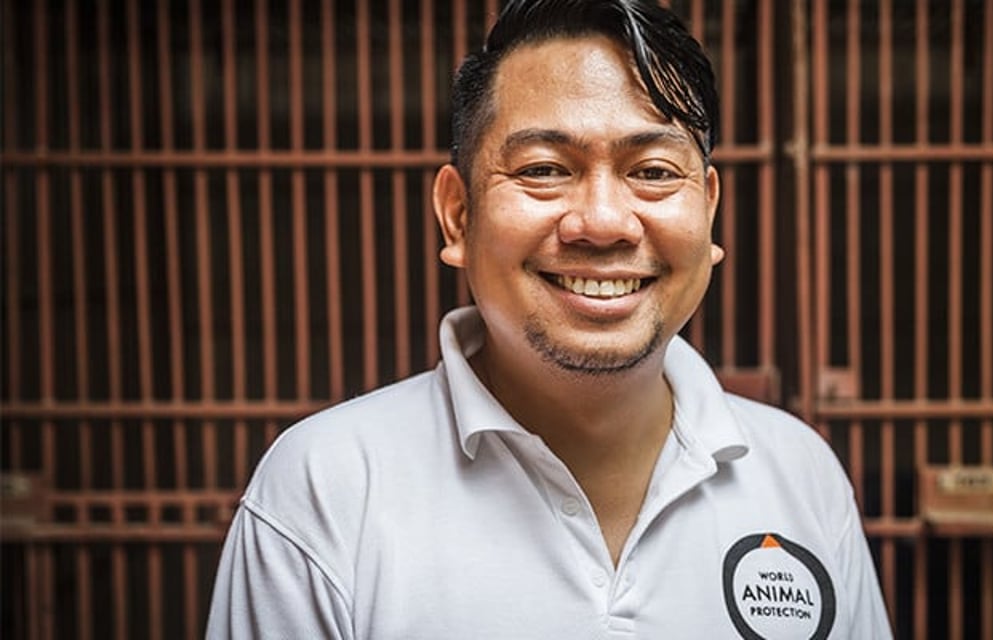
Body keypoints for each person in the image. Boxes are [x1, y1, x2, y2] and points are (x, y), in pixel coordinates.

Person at [205, 0, 892, 637]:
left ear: (708, 210)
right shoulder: (325, 489)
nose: (602, 222)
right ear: (458, 214)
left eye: (652, 171)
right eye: (544, 168)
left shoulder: (800, 474)